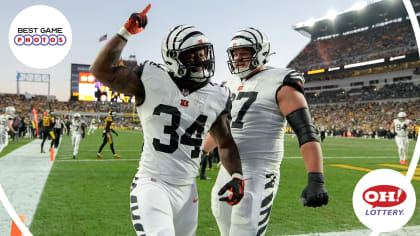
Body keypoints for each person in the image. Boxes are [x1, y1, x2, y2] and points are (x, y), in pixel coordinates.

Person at [90, 5, 245, 235]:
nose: (201, 60)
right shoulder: (152, 80)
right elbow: (101, 70)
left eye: (202, 53)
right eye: (192, 55)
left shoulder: (217, 95)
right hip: (154, 184)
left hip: (188, 190)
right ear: (174, 58)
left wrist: (237, 175)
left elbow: (225, 143)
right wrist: (126, 32)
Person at [203, 27, 329, 236]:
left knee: (245, 227)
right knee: (221, 216)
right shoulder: (230, 84)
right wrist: (200, 153)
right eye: (235, 53)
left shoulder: (281, 81)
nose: (238, 57)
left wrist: (316, 178)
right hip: (229, 167)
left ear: (261, 52)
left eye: (244, 52)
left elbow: (305, 131)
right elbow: (221, 129)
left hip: (259, 170)